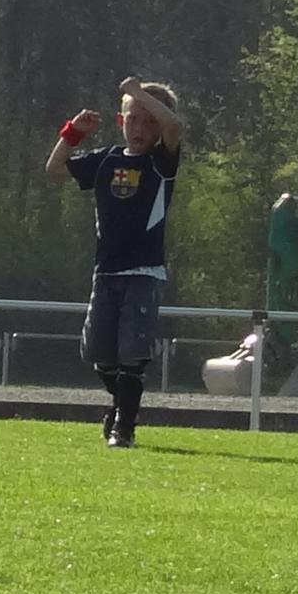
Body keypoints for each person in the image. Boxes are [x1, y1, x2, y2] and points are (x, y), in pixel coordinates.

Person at [46, 80, 185, 445]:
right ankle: (121, 404)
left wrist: (137, 92)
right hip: (105, 271)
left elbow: (174, 126)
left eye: (149, 122)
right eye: (133, 119)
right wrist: (73, 133)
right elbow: (56, 168)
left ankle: (124, 427)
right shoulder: (106, 159)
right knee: (98, 353)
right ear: (121, 120)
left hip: (143, 272)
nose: (140, 128)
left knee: (132, 353)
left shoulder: (161, 162)